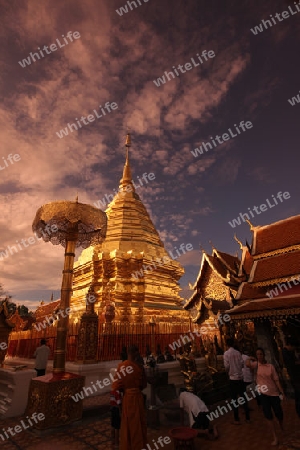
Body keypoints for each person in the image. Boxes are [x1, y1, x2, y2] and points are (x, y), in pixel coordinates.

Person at [247, 347, 285, 446]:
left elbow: (276, 380)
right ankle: (275, 436)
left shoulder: (270, 366)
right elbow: (247, 364)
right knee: (268, 415)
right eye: (257, 354)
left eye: (261, 354)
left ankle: (281, 425)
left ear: (264, 355)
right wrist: (250, 357)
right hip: (263, 394)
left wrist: (281, 392)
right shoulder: (256, 365)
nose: (259, 356)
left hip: (274, 393)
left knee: (279, 413)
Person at [112, 345, 147, 450]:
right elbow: (143, 385)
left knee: (129, 424)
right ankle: (140, 446)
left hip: (128, 398)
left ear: (127, 353)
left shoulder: (122, 366)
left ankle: (129, 446)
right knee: (139, 424)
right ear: (135, 353)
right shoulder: (139, 367)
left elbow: (115, 386)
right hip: (138, 397)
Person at [223, 338, 250, 424]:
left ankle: (236, 419)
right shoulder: (238, 353)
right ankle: (248, 417)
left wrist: (230, 371)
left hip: (232, 379)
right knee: (243, 398)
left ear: (226, 344)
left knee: (234, 399)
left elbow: (226, 366)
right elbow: (242, 364)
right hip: (240, 378)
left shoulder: (226, 354)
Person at [282, 337, 300, 417]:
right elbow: (291, 364)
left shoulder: (290, 352)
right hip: (294, 377)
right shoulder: (285, 352)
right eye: (293, 347)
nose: (294, 349)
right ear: (290, 345)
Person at [110, 369, 122, 448]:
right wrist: (121, 411)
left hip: (112, 409)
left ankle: (113, 440)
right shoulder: (117, 392)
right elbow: (119, 403)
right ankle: (117, 443)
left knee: (113, 426)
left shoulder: (112, 390)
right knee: (117, 427)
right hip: (117, 410)